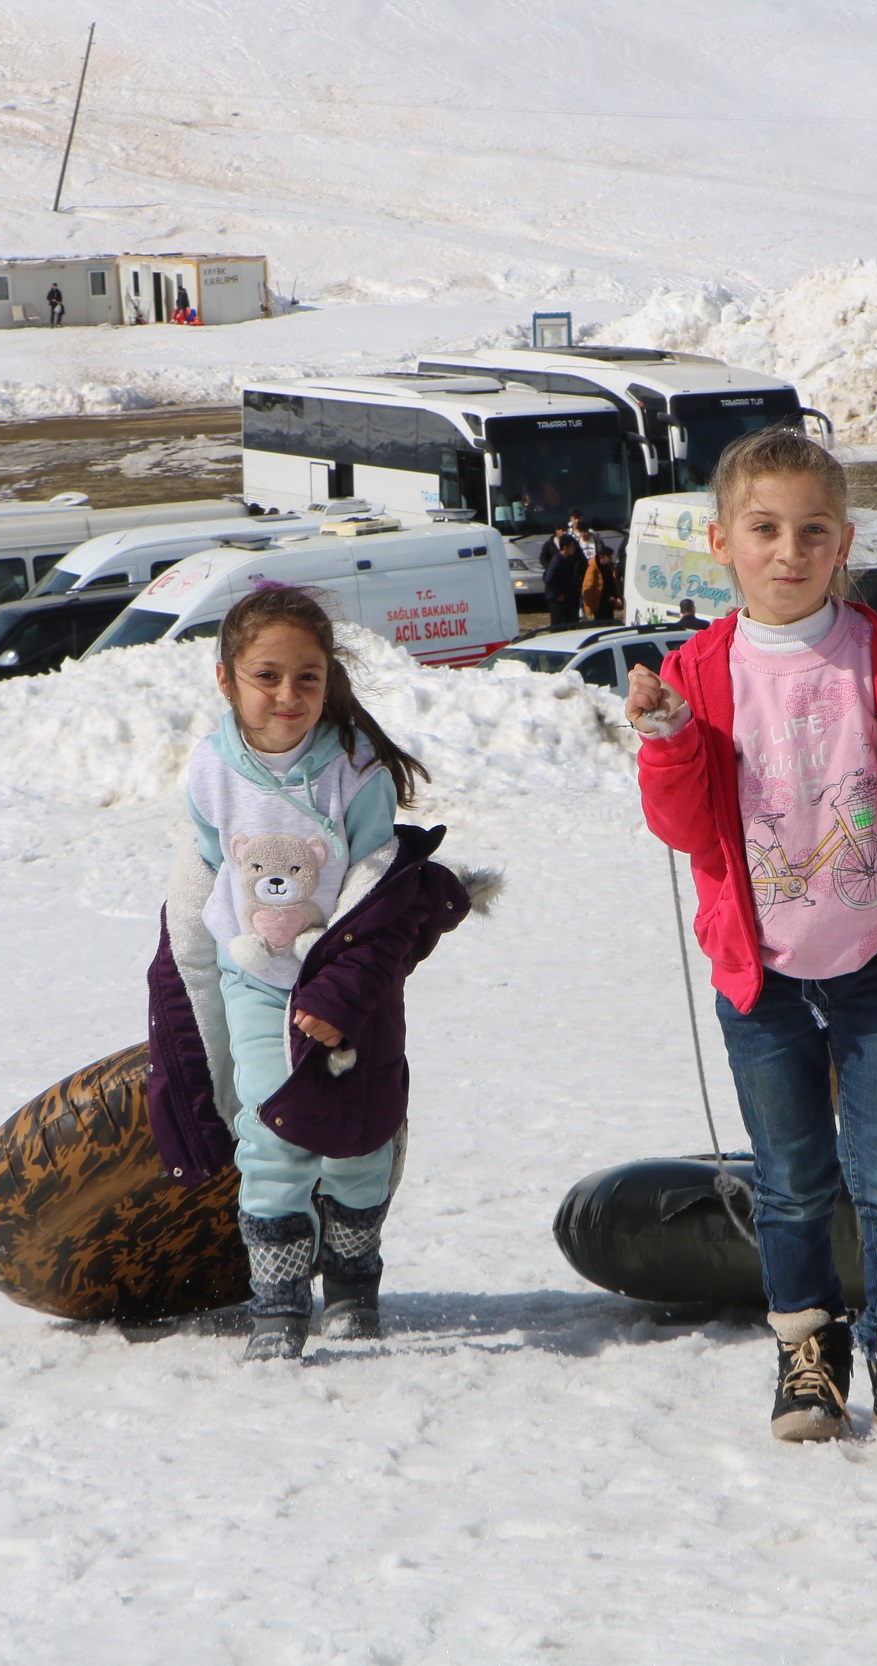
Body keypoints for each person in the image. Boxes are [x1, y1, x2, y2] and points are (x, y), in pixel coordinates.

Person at [625, 426, 877, 1443]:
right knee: (791, 1180)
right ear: (720, 542)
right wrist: (667, 744)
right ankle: (808, 1355)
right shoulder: (698, 672)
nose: (787, 551)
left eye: (811, 531)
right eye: (764, 529)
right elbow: (679, 827)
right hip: (759, 974)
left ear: (844, 542)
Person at [178, 586, 481, 1361]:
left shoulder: (355, 769)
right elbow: (212, 866)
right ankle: (277, 1304)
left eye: (307, 678)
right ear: (227, 679)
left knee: (357, 1140)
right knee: (271, 1129)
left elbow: (377, 881)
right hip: (256, 979)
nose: (287, 695)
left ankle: (352, 1281)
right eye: (266, 676)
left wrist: (337, 983)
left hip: (350, 983)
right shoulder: (213, 766)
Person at [540, 526, 586, 628]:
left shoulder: (567, 559)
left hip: (567, 598)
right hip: (557, 600)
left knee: (572, 623)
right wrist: (558, 594)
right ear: (565, 547)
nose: (574, 548)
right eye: (572, 546)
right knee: (558, 627)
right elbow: (548, 579)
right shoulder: (557, 560)